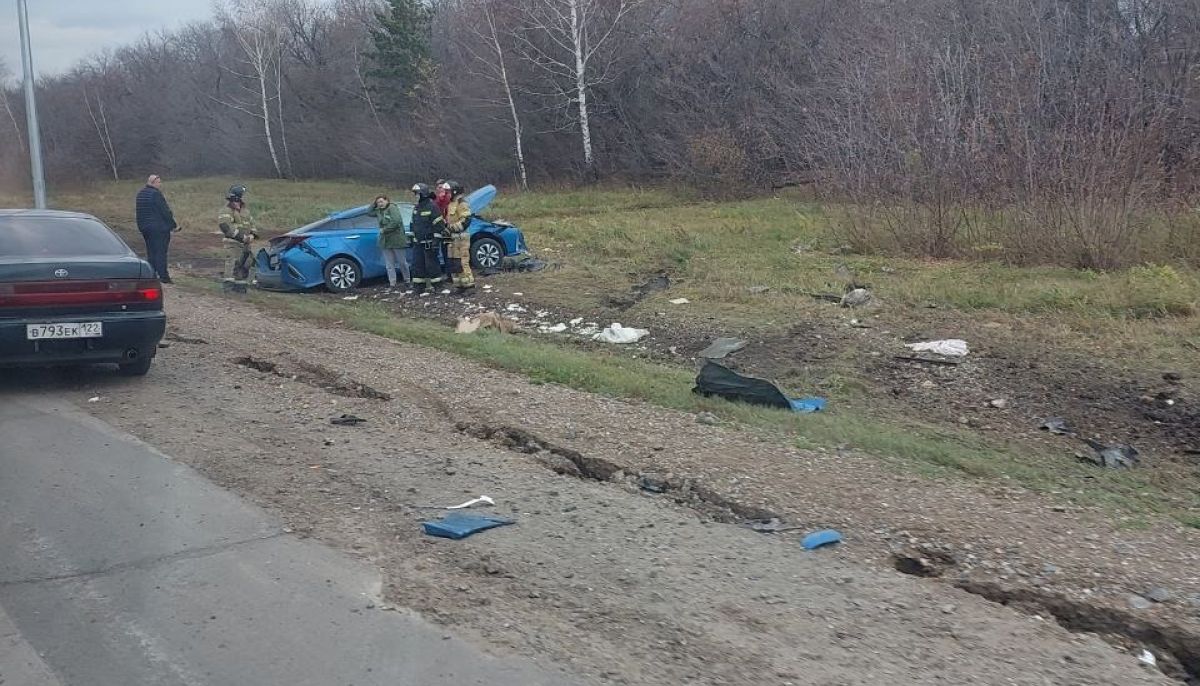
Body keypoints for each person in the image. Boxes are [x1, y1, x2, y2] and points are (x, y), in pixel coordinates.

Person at [134, 174, 179, 283]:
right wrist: (173, 225)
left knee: (151, 251)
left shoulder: (140, 194)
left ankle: (151, 274)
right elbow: (165, 212)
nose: (160, 184)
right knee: (161, 252)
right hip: (158, 228)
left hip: (145, 227)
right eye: (159, 182)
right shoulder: (156, 194)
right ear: (153, 183)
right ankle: (164, 276)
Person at [216, 184, 259, 292]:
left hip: (246, 244)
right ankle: (229, 287)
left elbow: (252, 225)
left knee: (245, 265)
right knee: (232, 263)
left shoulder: (245, 211)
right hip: (232, 243)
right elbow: (225, 226)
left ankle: (241, 287)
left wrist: (252, 235)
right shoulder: (226, 210)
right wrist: (241, 237)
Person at [407, 183, 447, 293]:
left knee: (432, 265)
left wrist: (436, 241)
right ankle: (419, 286)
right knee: (417, 264)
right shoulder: (416, 208)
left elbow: (439, 226)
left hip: (429, 242)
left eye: (417, 194)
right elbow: (413, 224)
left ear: (423, 194)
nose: (415, 196)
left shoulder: (432, 206)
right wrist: (412, 238)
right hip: (418, 242)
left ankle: (438, 286)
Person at [368, 195, 412, 289]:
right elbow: (369, 212)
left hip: (396, 239)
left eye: (381, 201)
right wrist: (374, 204)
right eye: (378, 202)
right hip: (385, 241)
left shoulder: (392, 208)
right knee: (389, 264)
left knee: (402, 262)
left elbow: (396, 221)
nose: (380, 204)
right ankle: (392, 283)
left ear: (387, 200)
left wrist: (385, 230)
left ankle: (407, 280)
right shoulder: (378, 211)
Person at [441, 180, 475, 292]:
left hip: (461, 238)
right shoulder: (450, 204)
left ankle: (469, 286)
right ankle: (459, 285)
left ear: (454, 191)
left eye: (448, 192)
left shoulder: (462, 203)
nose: (446, 194)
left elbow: (466, 220)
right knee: (453, 262)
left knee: (462, 262)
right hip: (451, 239)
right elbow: (448, 220)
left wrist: (451, 228)